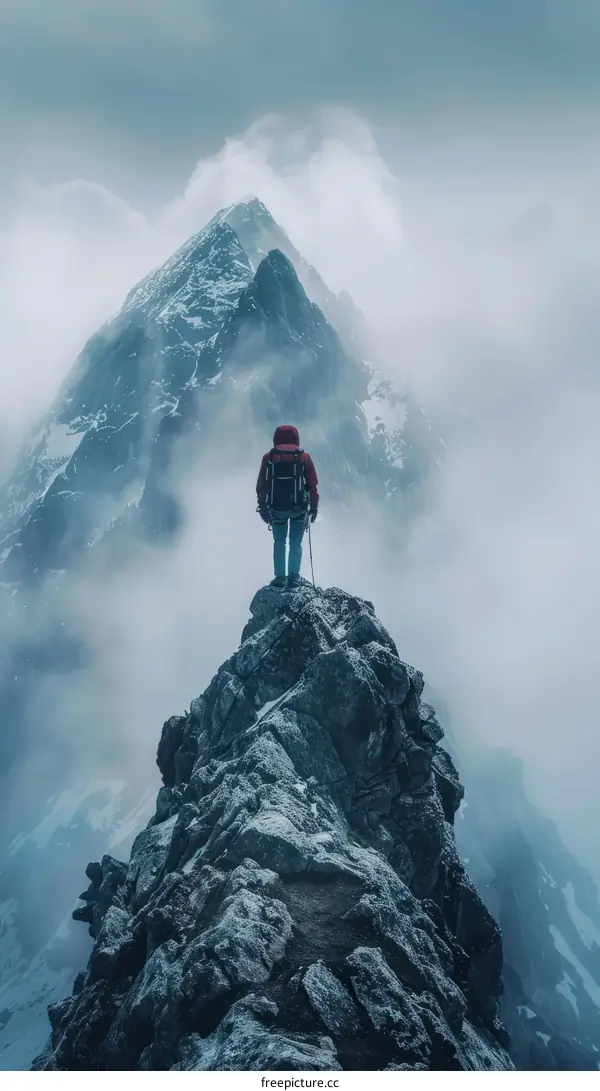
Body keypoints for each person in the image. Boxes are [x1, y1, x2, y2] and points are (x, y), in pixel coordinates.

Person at [256, 424, 319, 588]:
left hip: (277, 508)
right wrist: (314, 507)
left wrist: (262, 507)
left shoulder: (269, 457)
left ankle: (279, 578)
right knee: (296, 543)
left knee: (279, 542)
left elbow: (262, 485)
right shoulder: (303, 457)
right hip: (299, 508)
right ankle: (293, 577)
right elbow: (313, 484)